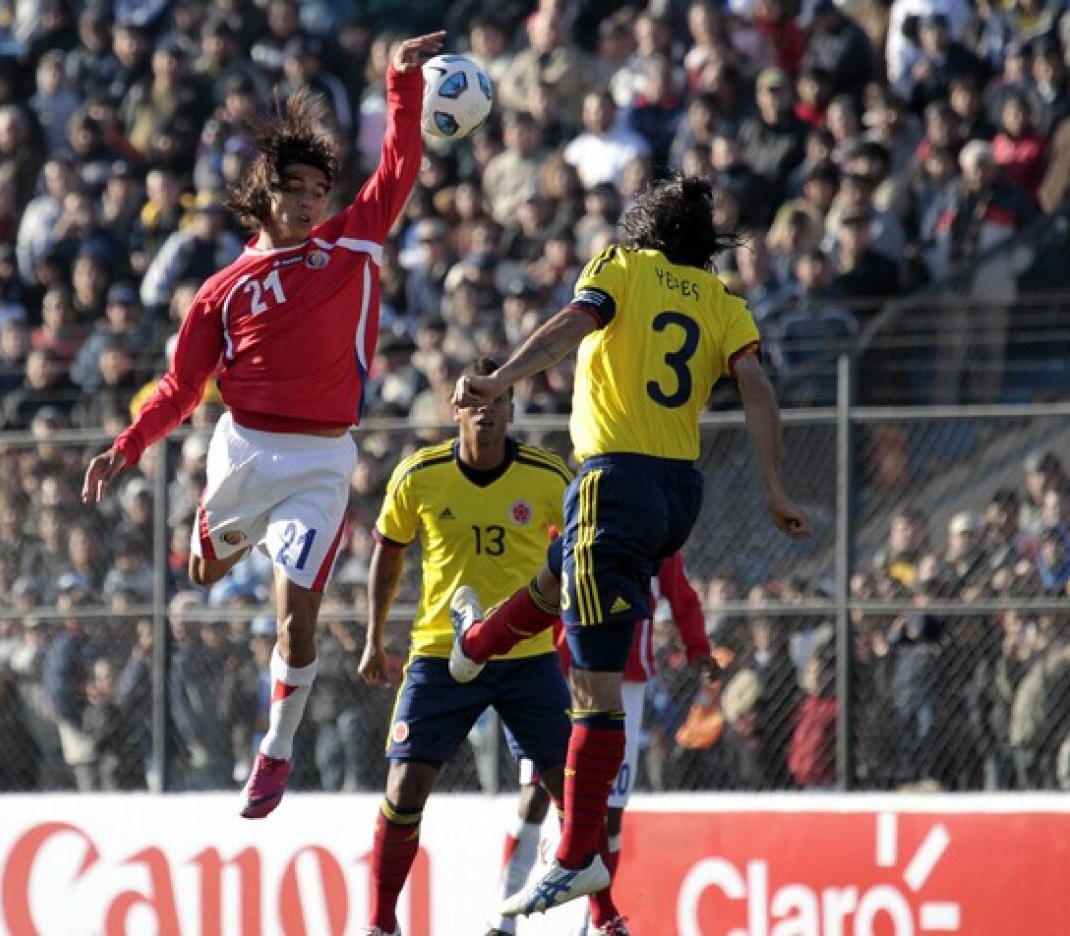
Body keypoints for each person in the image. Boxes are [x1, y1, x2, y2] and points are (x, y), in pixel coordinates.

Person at [81, 31, 447, 820]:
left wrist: (399, 84)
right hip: (245, 449)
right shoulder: (223, 290)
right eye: (297, 189)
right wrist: (127, 445)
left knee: (296, 614)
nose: (312, 200)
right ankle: (229, 533)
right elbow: (182, 388)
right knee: (205, 576)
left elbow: (400, 167)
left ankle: (276, 750)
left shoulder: (353, 240)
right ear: (265, 195)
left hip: (322, 460)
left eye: (320, 187)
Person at [449, 172, 812, 918]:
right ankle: (478, 641)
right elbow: (759, 390)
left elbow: (568, 326)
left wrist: (501, 380)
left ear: (645, 226)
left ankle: (577, 856)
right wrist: (776, 490)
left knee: (593, 689)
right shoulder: (724, 303)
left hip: (612, 482)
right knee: (556, 581)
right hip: (679, 493)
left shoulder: (620, 266)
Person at [358, 358, 583, 936]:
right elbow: (389, 553)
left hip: (527, 657)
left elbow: (581, 554)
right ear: (454, 408)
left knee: (578, 794)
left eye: (499, 397)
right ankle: (381, 922)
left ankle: (600, 919)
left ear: (512, 408)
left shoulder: (547, 476)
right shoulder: (419, 475)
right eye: (473, 399)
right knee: (404, 787)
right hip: (439, 654)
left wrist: (578, 642)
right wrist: (373, 639)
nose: (486, 408)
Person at [467, 549, 712, 936]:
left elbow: (681, 594)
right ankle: (502, 919)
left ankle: (594, 925)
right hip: (562, 676)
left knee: (610, 811)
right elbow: (538, 586)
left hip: (625, 683)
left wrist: (697, 647)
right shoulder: (573, 522)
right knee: (535, 794)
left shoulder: (656, 527)